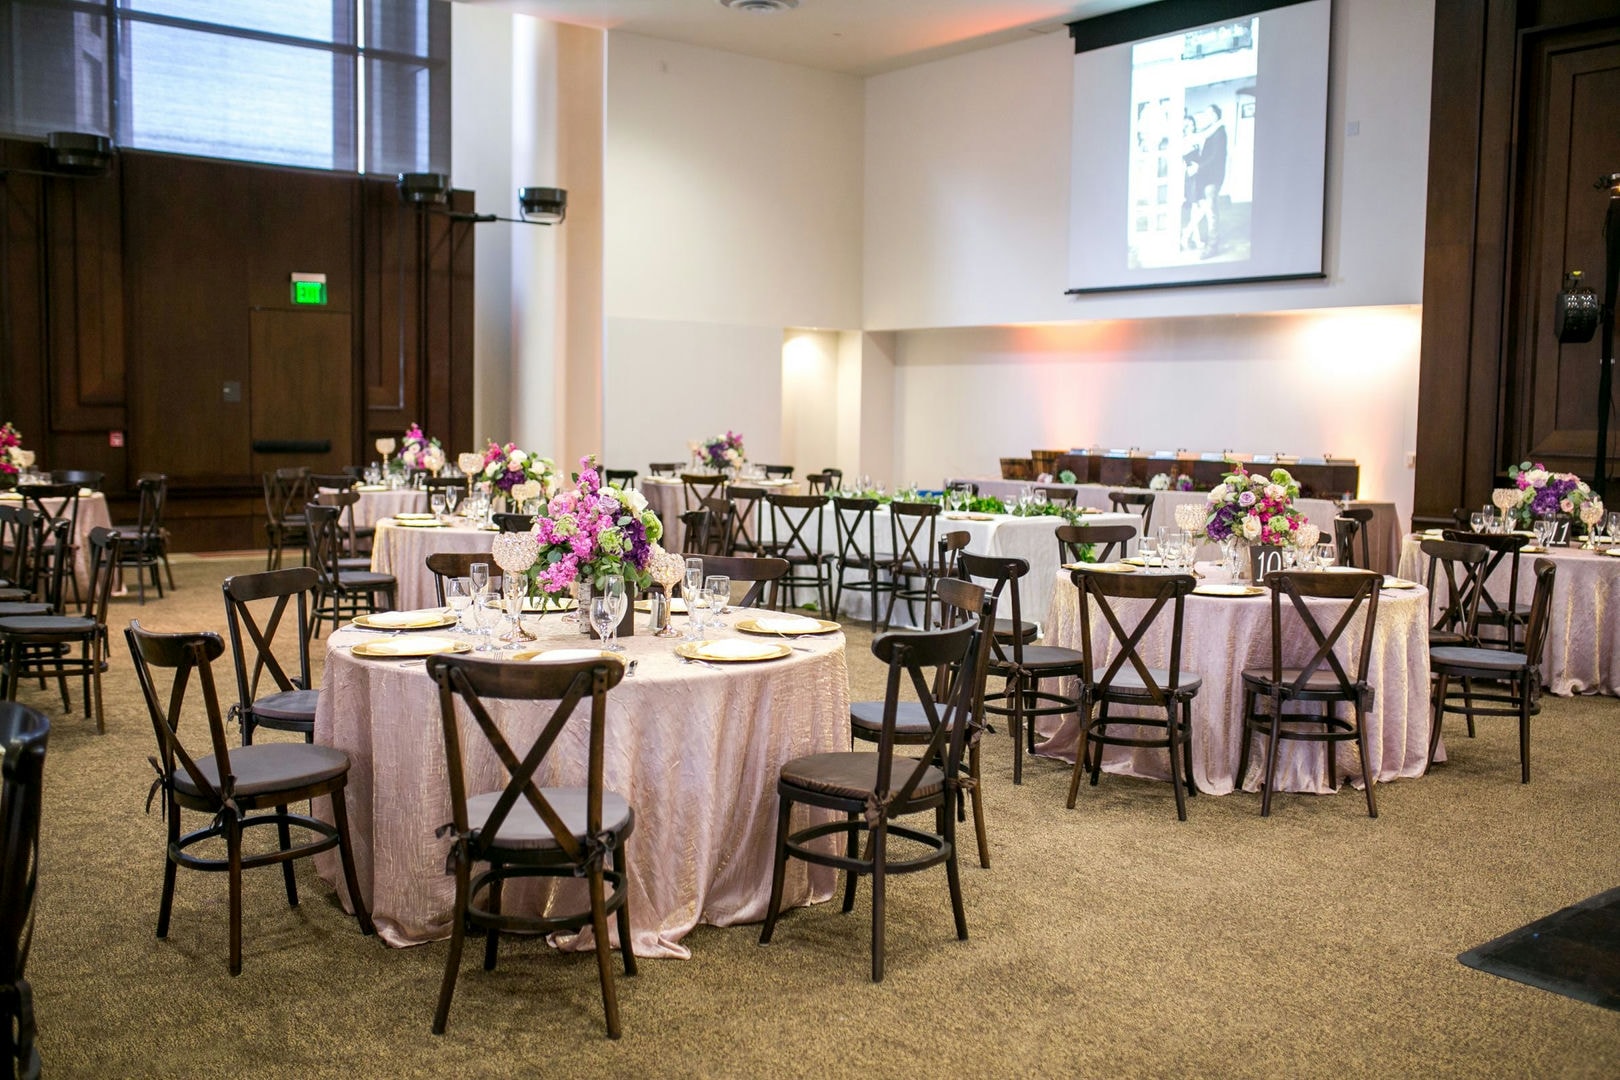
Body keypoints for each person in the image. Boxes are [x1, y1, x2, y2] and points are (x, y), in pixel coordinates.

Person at [1191, 104, 1228, 257]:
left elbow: (1215, 157)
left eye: (1208, 114)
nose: (1205, 117)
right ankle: (1210, 242)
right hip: (1208, 176)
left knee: (1211, 212)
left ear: (1215, 115)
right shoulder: (1211, 132)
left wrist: (1198, 167)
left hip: (1213, 177)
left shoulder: (1219, 132)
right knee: (1207, 210)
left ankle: (1212, 247)